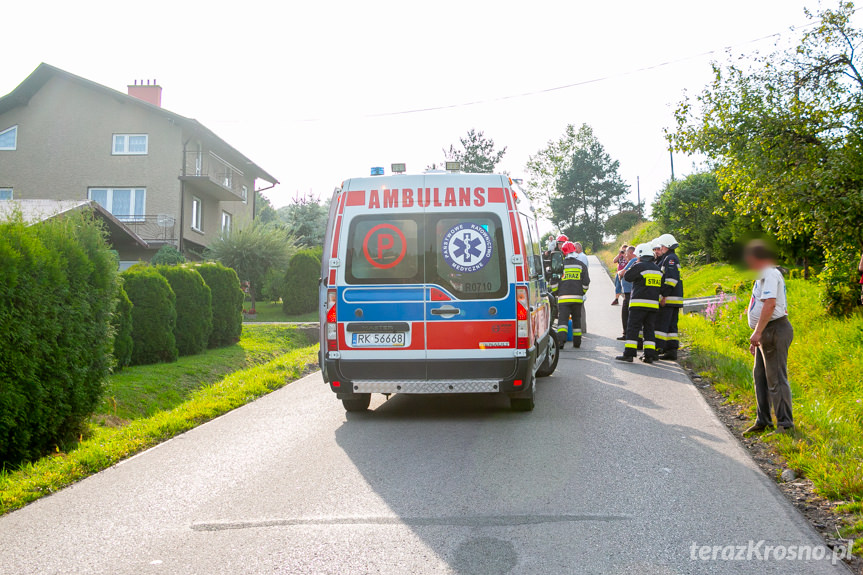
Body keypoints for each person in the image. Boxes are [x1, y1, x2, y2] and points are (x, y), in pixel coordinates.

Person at [743, 241, 794, 435]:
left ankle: (785, 424)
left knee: (776, 378)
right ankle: (763, 420)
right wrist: (759, 334)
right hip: (766, 331)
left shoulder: (770, 273)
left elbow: (770, 304)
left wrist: (758, 332)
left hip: (774, 329)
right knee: (760, 377)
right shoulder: (763, 275)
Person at [616, 243, 662, 363]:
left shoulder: (639, 266)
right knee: (649, 330)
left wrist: (633, 266)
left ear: (640, 254)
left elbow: (627, 277)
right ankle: (649, 355)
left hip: (638, 304)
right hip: (653, 305)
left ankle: (629, 354)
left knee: (633, 328)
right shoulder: (657, 269)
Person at [654, 234, 684, 360]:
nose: (660, 248)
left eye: (661, 246)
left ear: (667, 246)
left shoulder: (670, 259)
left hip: (669, 298)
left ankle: (658, 349)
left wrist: (663, 295)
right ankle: (671, 351)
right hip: (674, 299)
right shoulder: (671, 257)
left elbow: (671, 280)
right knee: (671, 327)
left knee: (662, 325)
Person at [556, 241, 590, 349]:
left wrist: (557, 292)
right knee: (576, 320)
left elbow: (553, 282)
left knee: (562, 321)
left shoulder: (560, 265)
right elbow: (586, 282)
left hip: (563, 299)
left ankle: (561, 342)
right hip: (577, 298)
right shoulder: (581, 265)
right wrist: (582, 292)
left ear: (563, 252)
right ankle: (577, 343)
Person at [617, 245, 637, 340]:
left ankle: (627, 334)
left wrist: (620, 274)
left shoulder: (633, 261)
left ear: (631, 253)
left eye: (627, 253)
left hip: (629, 292)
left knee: (626, 313)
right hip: (629, 291)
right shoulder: (632, 261)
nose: (625, 255)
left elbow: (622, 273)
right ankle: (627, 333)